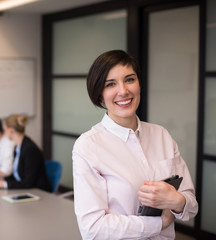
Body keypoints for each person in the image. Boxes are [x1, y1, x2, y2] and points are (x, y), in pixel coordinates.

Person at [72, 50, 198, 239]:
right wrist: (158, 223)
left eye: (130, 79)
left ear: (139, 83)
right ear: (99, 94)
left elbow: (191, 206)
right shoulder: (88, 146)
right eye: (110, 84)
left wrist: (176, 200)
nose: (123, 91)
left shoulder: (161, 135)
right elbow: (93, 229)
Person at [0, 114, 51, 192]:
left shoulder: (30, 149)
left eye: (5, 129)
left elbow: (28, 183)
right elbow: (16, 176)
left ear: (11, 131)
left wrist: (1, 184)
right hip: (24, 191)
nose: (3, 133)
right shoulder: (18, 146)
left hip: (38, 193)